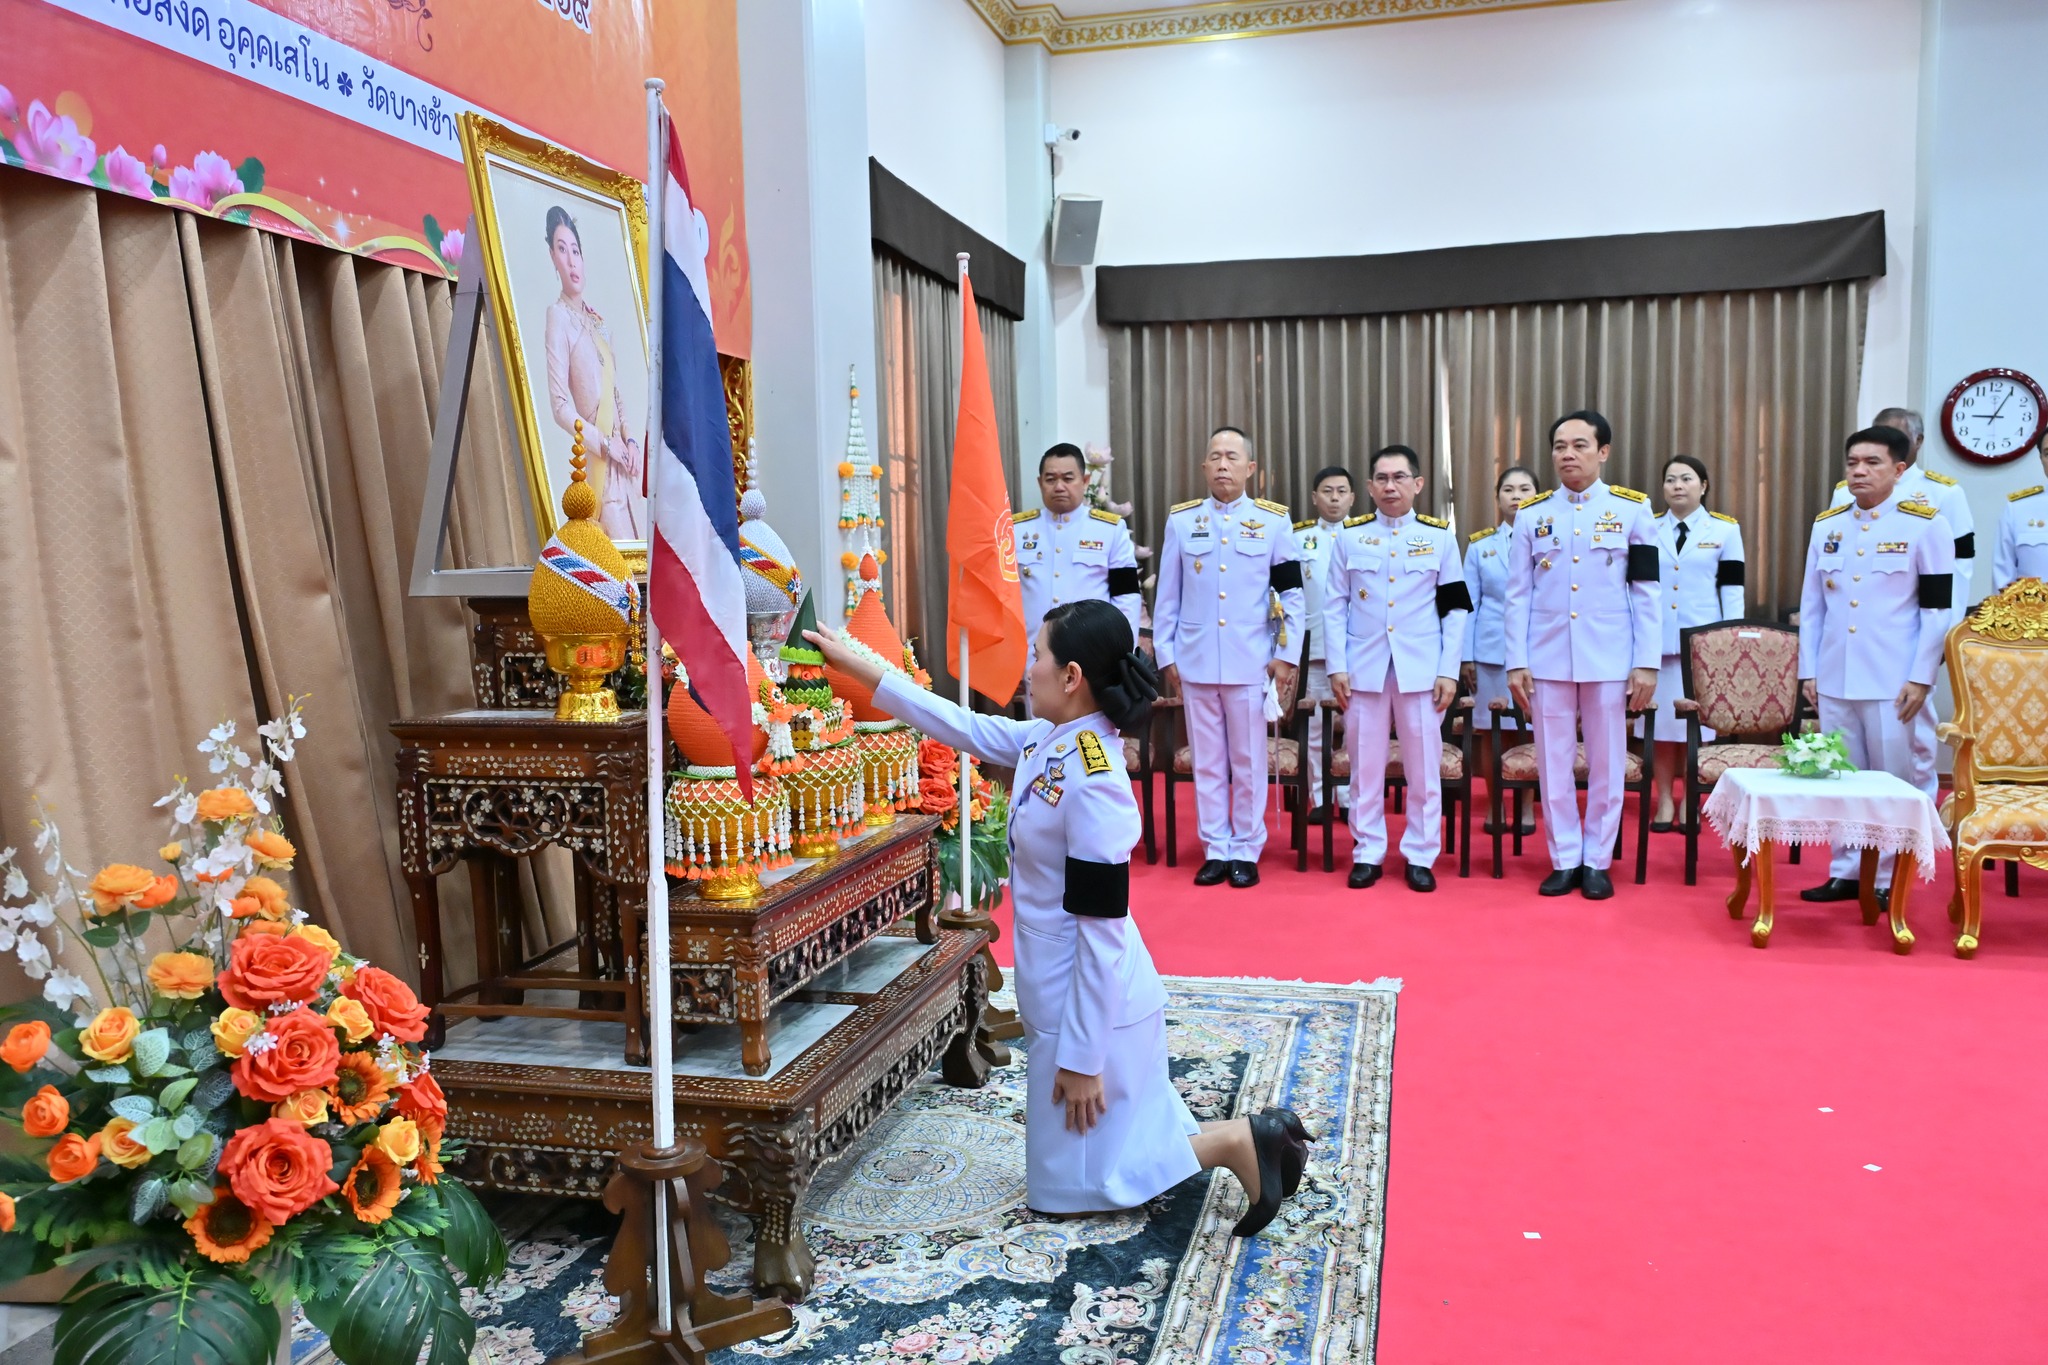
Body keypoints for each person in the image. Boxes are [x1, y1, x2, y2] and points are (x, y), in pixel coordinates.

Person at [805, 601, 1311, 1232]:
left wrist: (1083, 1058)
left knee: (1078, 1190)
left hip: (1095, 1004)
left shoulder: (1095, 779)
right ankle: (1258, 1136)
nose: (1028, 670)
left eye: (1037, 656)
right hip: (1061, 988)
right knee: (1074, 1173)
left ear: (1072, 676)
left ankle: (1243, 1141)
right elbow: (960, 725)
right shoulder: (1050, 737)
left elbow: (1100, 933)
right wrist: (865, 671)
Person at [1505, 410, 1661, 901]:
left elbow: (1647, 591)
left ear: (1603, 452)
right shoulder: (1532, 515)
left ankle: (1597, 859)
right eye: (1559, 446)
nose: (1567, 454)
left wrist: (1646, 662)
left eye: (1579, 445)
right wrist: (1516, 660)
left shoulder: (1634, 510)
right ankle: (1565, 857)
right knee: (1552, 761)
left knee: (1607, 761)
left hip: (1610, 657)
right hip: (1547, 657)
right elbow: (1517, 595)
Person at [1797, 426, 1954, 908]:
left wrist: (1921, 676)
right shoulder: (1828, 526)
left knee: (1895, 780)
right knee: (1843, 777)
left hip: (1894, 681)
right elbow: (1812, 607)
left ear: (1900, 470)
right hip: (1837, 676)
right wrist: (1809, 671)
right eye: (1852, 463)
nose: (1859, 471)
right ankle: (1847, 870)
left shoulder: (1925, 525)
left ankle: (1888, 877)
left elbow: (1936, 612)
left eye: (1873, 463)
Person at [1153, 427, 1305, 889]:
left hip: (1251, 661)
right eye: (1215, 457)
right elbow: (1168, 597)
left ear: (1250, 469)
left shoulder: (1275, 523)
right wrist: (1166, 655)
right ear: (1203, 467)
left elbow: (1291, 595)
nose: (1223, 465)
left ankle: (1246, 848)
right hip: (1196, 660)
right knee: (1208, 760)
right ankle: (1215, 847)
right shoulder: (1181, 522)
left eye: (1232, 457)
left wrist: (1286, 655)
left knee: (1247, 759)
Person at [1324, 446, 1469, 892]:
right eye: (1382, 479)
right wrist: (1336, 666)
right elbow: (1333, 606)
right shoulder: (1349, 537)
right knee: (1364, 766)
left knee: (1424, 768)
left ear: (1418, 484)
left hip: (1422, 671)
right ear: (1369, 487)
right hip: (1363, 669)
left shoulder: (1441, 537)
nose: (1390, 486)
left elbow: (1456, 609)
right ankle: (1367, 852)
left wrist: (1449, 670)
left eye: (1399, 477)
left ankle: (1421, 854)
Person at [1645, 456, 1746, 831]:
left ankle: (1690, 799)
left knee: (1696, 729)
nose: (1677, 486)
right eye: (1670, 479)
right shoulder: (1648, 528)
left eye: (1686, 479)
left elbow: (1732, 590)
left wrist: (1730, 641)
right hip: (1656, 645)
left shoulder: (1724, 530)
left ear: (1703, 485)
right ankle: (1665, 802)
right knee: (1660, 728)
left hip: (1704, 649)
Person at [1015, 443, 1144, 714]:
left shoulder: (1109, 529)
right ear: (1040, 483)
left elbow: (1127, 597)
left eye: (1068, 478)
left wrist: (1123, 654)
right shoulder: (1017, 531)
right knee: (1036, 735)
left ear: (1085, 481)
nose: (1059, 486)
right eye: (1051, 479)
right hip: (1035, 657)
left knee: (1090, 737)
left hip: (1093, 658)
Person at [543, 206, 644, 544]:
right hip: (597, 466)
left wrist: (629, 441)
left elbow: (615, 394)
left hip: (625, 469)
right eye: (561, 249)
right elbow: (560, 407)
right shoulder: (557, 318)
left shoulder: (598, 322)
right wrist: (604, 445)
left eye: (575, 250)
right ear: (552, 258)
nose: (571, 261)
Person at [1828, 407, 1973, 621]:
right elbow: (1833, 555)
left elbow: (1960, 564)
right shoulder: (1844, 493)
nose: (1886, 445)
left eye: (1897, 438)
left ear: (1919, 441)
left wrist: (1948, 627)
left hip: (1910, 618)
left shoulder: (1944, 493)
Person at [1463, 465, 1541, 835]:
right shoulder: (1481, 546)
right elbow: (1468, 605)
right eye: (1508, 489)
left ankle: (1526, 805)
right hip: (1491, 651)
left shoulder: (1550, 541)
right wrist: (1465, 655)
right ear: (1497, 498)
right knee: (1490, 730)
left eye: (1525, 488)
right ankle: (1495, 804)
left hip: (1538, 650)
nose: (1516, 495)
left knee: (1530, 731)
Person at [1294, 466, 1355, 824]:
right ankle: (1319, 796)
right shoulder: (1297, 538)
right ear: (1315, 497)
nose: (1334, 498)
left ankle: (1349, 796)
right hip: (1315, 647)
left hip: (1358, 649)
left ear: (1353, 497)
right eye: (1327, 491)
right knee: (1315, 727)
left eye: (1341, 491)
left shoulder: (1365, 535)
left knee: (1356, 727)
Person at [1992, 428, 2048, 589]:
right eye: (2047, 454)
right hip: (2033, 612)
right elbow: (2002, 578)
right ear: (2041, 459)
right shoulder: (2018, 509)